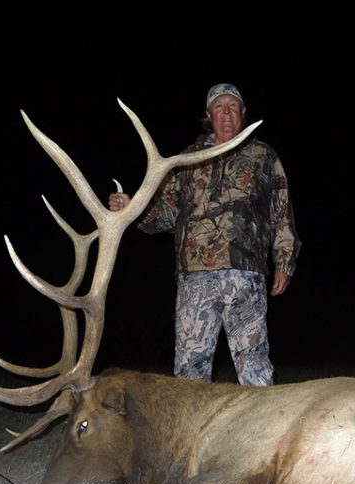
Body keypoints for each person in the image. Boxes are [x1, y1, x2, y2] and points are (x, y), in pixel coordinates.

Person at [108, 83, 300, 386]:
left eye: (233, 105)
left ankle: (262, 434)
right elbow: (165, 214)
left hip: (245, 277)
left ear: (243, 114)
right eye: (219, 106)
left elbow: (281, 213)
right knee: (189, 374)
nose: (226, 111)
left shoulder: (263, 155)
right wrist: (132, 208)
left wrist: (285, 262)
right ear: (209, 115)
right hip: (194, 279)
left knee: (255, 370)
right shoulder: (187, 158)